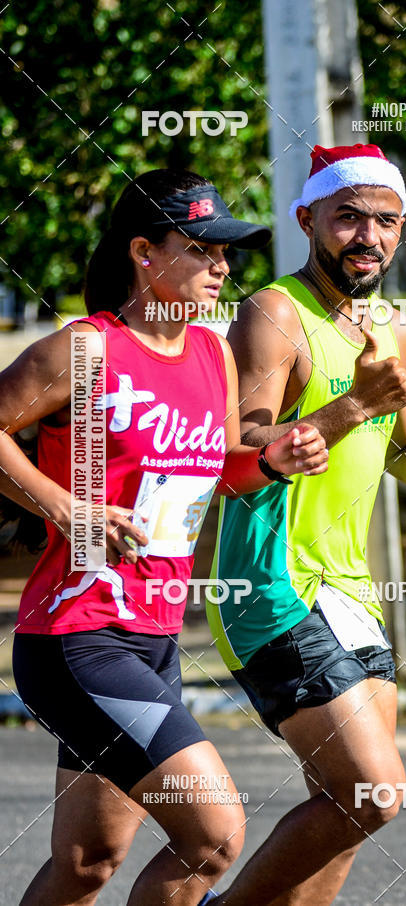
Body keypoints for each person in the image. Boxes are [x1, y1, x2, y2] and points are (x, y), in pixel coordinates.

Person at [5, 168, 328, 906]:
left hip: (153, 639)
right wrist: (66, 508)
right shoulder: (84, 350)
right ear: (144, 252)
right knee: (213, 835)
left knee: (87, 862)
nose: (222, 267)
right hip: (77, 637)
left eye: (228, 253)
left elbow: (218, 474)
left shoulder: (213, 355)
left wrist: (273, 461)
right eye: (202, 248)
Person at [206, 144, 406, 905]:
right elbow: (241, 447)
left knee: (345, 811)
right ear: (307, 219)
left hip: (351, 592)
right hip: (271, 583)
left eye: (386, 221)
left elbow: (398, 448)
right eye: (348, 217)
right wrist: (352, 405)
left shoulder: (394, 331)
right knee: (372, 793)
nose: (368, 236)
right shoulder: (273, 313)